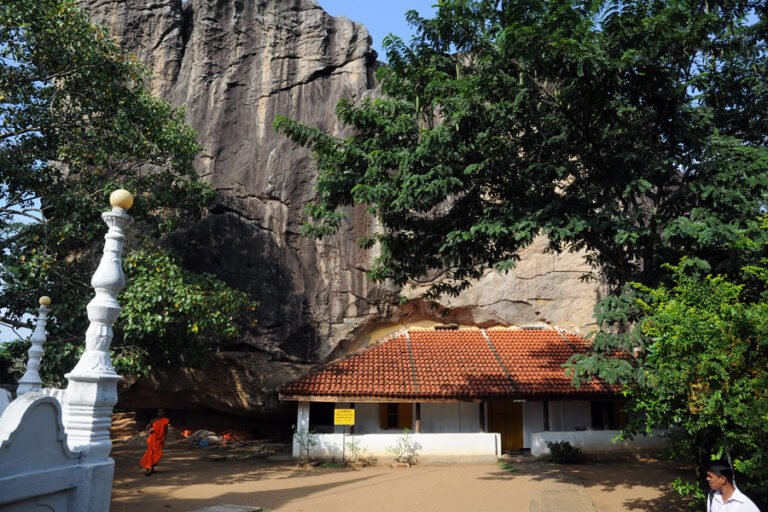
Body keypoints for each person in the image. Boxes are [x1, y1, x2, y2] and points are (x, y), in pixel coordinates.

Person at [140, 409, 170, 476]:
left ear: (164, 413)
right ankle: (148, 468)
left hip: (160, 439)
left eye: (162, 412)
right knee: (150, 453)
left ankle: (152, 468)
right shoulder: (153, 420)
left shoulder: (165, 420)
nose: (160, 413)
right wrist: (150, 431)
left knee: (158, 454)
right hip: (152, 438)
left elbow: (166, 430)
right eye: (159, 412)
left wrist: (164, 438)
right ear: (157, 413)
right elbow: (148, 428)